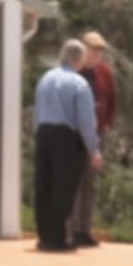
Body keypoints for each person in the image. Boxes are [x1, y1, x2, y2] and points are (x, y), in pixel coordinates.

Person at [32, 38, 102, 253]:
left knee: (44, 186)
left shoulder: (45, 79)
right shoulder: (79, 84)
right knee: (64, 188)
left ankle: (44, 235)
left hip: (44, 134)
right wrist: (93, 149)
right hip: (67, 137)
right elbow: (86, 121)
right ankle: (58, 237)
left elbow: (37, 112)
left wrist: (38, 136)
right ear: (79, 59)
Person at [70, 29, 117, 247]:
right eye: (93, 50)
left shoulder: (104, 72)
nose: (96, 55)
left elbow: (112, 98)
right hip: (75, 132)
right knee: (74, 180)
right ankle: (71, 228)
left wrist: (106, 122)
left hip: (97, 132)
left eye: (99, 51)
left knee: (90, 181)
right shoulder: (74, 72)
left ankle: (84, 229)